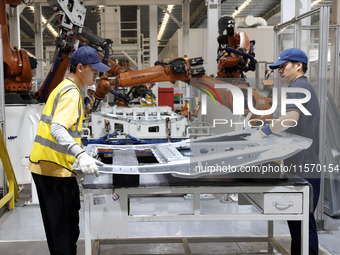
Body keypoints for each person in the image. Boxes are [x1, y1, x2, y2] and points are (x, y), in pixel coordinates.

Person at [29, 45, 110, 255]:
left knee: (62, 230)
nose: (97, 74)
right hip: (53, 171)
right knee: (64, 233)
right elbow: (57, 128)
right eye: (94, 70)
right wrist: (81, 154)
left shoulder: (64, 87)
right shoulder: (71, 93)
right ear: (80, 68)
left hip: (49, 167)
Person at [249, 48, 320, 255]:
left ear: (299, 65)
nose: (280, 70)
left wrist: (265, 132)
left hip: (303, 170)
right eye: (278, 67)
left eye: (283, 65)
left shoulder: (298, 87)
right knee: (299, 225)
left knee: (304, 226)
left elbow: (291, 119)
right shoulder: (301, 87)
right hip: (302, 166)